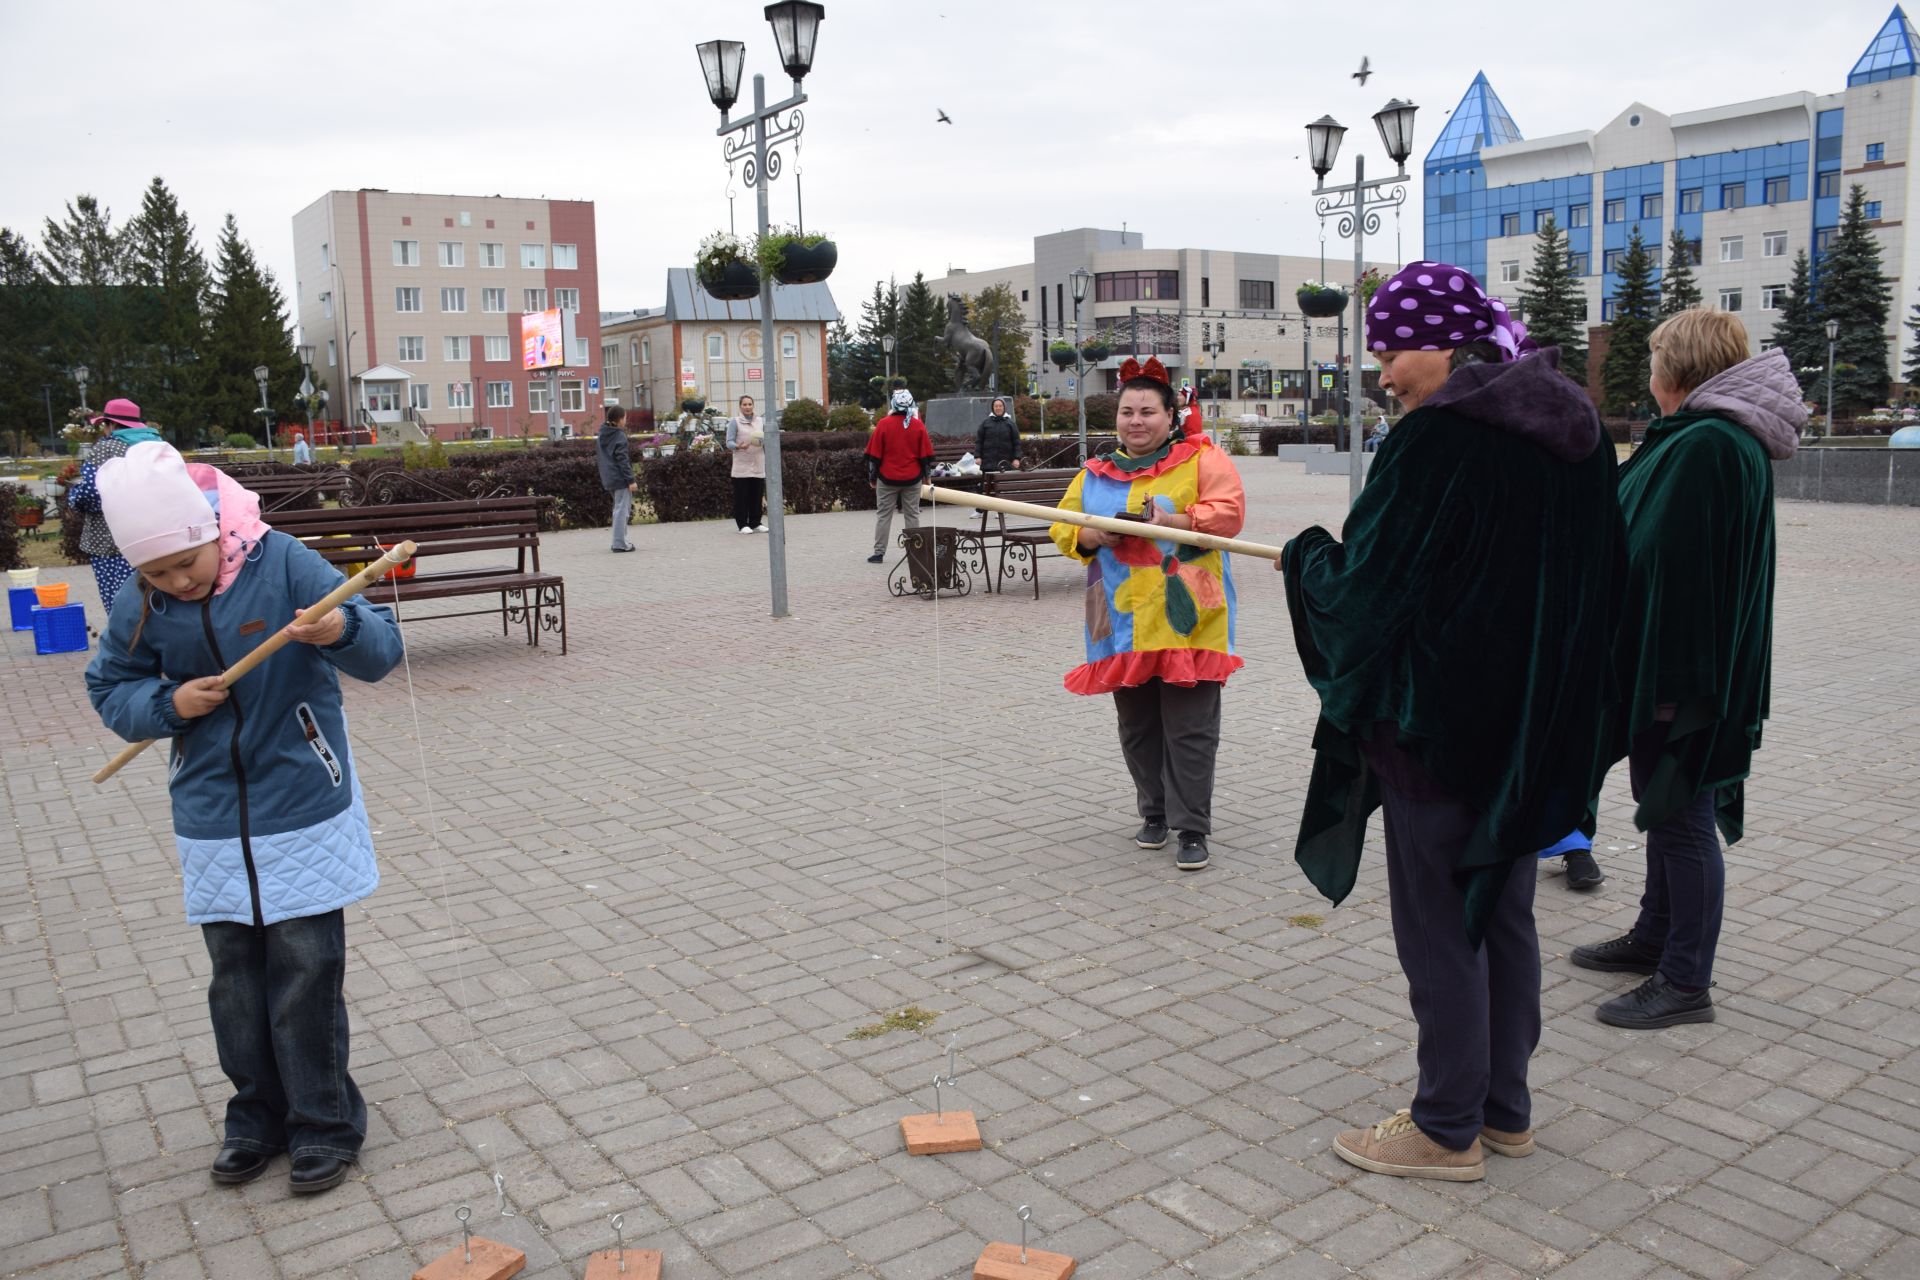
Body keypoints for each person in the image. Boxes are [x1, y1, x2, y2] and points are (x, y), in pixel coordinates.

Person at [1279, 261, 1624, 1182]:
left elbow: (1363, 597)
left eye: (1393, 348)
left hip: (1437, 733)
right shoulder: (1578, 435)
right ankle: (1503, 1110)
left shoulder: (1438, 440)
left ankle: (1443, 1127)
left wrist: (1307, 557)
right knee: (1502, 911)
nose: (1383, 372)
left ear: (1444, 342)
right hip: (1527, 730)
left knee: (1441, 926)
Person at [85, 441, 403, 1196]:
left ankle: (324, 1122)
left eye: (184, 563)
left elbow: (381, 647)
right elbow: (110, 687)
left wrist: (338, 632)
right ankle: (254, 1117)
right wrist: (168, 705)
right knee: (234, 979)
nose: (176, 582)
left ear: (208, 527)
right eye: (156, 573)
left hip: (300, 804)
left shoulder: (282, 559)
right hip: (211, 817)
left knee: (306, 972)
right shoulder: (145, 600)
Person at [1571, 309, 1802, 1029]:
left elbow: (1670, 566)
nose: (1648, 374)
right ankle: (1655, 935)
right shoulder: (1704, 438)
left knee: (1680, 816)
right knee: (1662, 807)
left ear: (1676, 369)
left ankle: (1684, 981)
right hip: (1674, 665)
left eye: (1653, 361)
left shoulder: (1707, 444)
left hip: (1681, 672)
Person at [1049, 357, 1245, 872]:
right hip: (1118, 614)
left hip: (1187, 613)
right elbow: (1063, 528)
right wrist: (1094, 534)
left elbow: (1229, 514)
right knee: (1137, 727)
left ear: (1170, 416)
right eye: (1127, 412)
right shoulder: (1094, 472)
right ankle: (1154, 812)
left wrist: (1171, 519)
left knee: (1189, 726)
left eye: (1148, 412)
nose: (1136, 422)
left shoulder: (1202, 459)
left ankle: (1193, 826)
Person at [64, 398, 164, 608]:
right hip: (153, 536)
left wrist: (74, 497)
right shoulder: (156, 446)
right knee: (150, 598)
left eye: (105, 425)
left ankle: (125, 639)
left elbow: (91, 493)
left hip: (109, 540)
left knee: (118, 602)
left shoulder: (106, 449)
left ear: (113, 425)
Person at [865, 388, 933, 563]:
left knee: (883, 515)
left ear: (893, 404)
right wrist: (927, 478)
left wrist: (873, 478)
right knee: (912, 515)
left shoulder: (883, 424)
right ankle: (915, 552)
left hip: (887, 478)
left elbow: (874, 455)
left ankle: (879, 553)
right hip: (913, 478)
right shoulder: (918, 425)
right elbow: (925, 456)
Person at [596, 405, 636, 553]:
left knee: (618, 509)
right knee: (622, 511)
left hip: (608, 477)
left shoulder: (603, 433)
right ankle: (620, 543)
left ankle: (622, 541)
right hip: (620, 478)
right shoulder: (619, 436)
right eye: (625, 417)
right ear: (620, 419)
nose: (626, 420)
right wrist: (631, 480)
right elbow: (622, 460)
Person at [727, 394, 769, 533]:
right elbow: (729, 442)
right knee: (742, 497)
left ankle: (756, 522)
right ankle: (742, 525)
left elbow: (766, 438)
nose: (747, 407)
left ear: (753, 405)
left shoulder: (760, 421)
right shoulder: (735, 422)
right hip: (742, 465)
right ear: (740, 406)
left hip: (758, 463)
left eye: (749, 404)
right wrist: (739, 446)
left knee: (757, 496)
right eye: (744, 404)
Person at [974, 397, 1021, 471]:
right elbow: (979, 441)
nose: (998, 408)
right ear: (993, 408)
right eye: (996, 406)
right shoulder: (985, 423)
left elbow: (1017, 443)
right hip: (988, 464)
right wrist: (977, 456)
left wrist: (1016, 458)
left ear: (1004, 407)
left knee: (1004, 482)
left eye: (1000, 406)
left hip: (1006, 464)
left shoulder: (1011, 424)